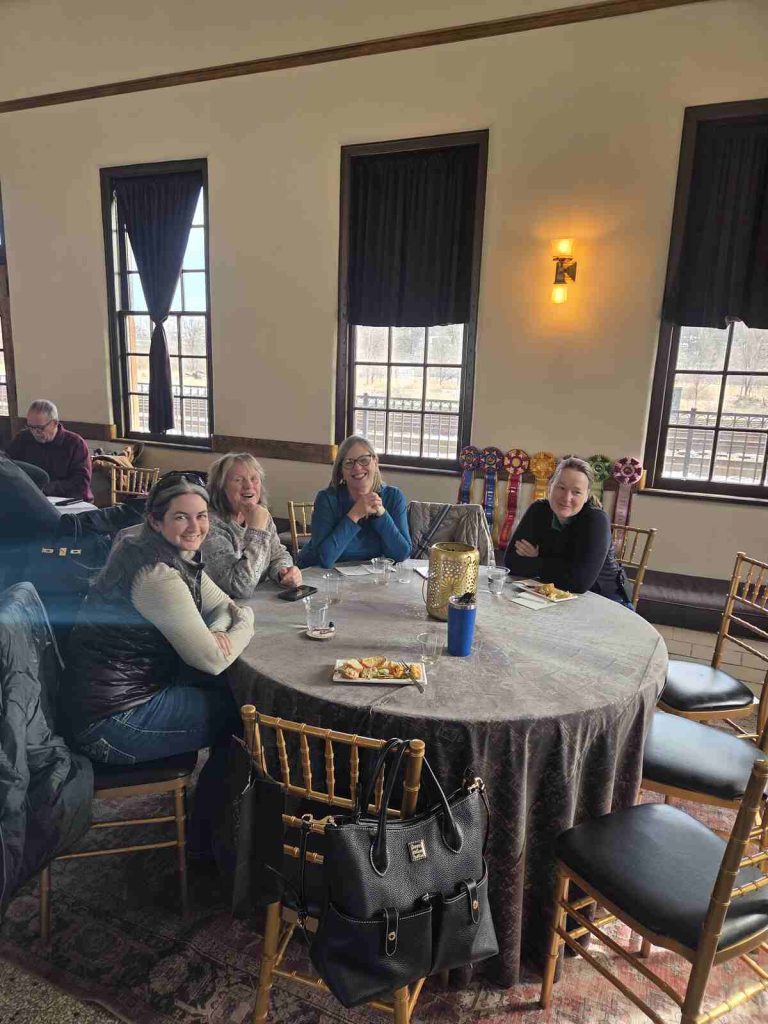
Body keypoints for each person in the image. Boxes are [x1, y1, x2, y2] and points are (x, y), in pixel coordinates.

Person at [64, 475, 255, 852]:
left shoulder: (147, 545)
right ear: (156, 520)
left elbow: (218, 604)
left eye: (201, 516)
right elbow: (214, 659)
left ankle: (212, 817)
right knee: (244, 717)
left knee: (231, 692)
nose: (195, 527)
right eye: (181, 517)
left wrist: (219, 627)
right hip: (111, 723)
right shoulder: (156, 574)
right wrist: (245, 621)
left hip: (108, 700)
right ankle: (213, 837)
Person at [504, 456, 631, 605]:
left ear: (586, 496)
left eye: (576, 492)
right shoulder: (538, 510)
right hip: (553, 596)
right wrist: (563, 568)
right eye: (561, 487)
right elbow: (512, 562)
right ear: (550, 486)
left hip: (606, 600)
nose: (566, 497)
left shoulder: (596, 520)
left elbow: (579, 583)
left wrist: (536, 560)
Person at [297, 435, 411, 569]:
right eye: (349, 462)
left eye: (364, 460)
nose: (357, 468)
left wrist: (382, 514)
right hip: (323, 577)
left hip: (372, 578)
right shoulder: (327, 499)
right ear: (341, 471)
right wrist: (354, 515)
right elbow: (324, 559)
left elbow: (401, 554)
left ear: (375, 462)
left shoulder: (393, 497)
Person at [203, 452, 302, 597]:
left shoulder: (260, 515)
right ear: (221, 487)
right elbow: (239, 587)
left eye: (254, 479)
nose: (248, 485)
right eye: (238, 480)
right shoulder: (209, 526)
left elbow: (278, 555)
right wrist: (256, 531)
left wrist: (284, 572)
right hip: (224, 610)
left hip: (258, 603)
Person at [6, 399, 93, 501]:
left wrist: (44, 489)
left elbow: (80, 484)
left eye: (40, 428)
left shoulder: (75, 444)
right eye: (31, 427)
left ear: (55, 423)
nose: (35, 433)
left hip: (70, 501)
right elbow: (7, 464)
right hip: (32, 499)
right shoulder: (23, 438)